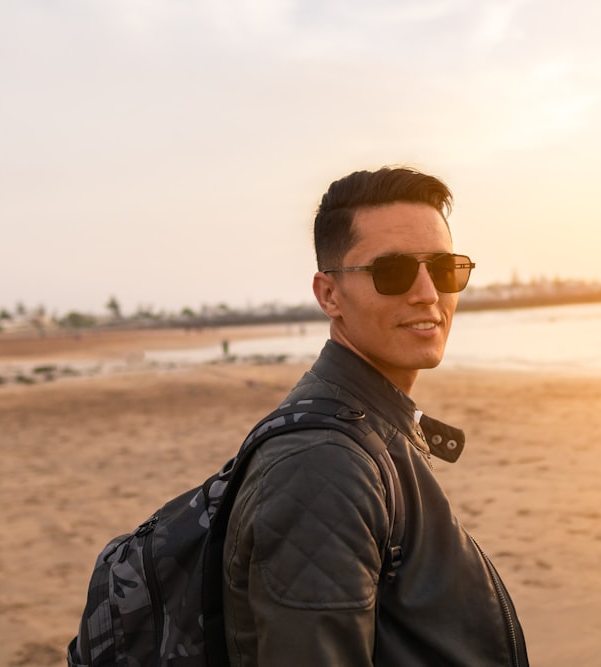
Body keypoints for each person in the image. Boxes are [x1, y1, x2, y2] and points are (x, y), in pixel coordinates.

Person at [222, 166, 529, 666]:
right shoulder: (322, 467)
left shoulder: (371, 427)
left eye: (445, 268)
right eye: (393, 271)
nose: (428, 293)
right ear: (329, 295)